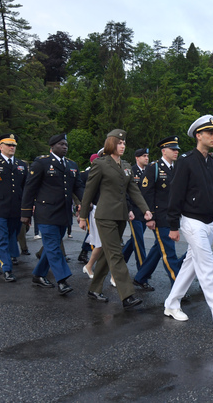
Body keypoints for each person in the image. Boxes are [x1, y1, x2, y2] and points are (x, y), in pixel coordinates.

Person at [164, 115, 213, 332]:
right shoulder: (186, 161)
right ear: (198, 135)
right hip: (192, 222)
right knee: (207, 269)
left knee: (190, 266)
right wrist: (173, 226)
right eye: (210, 133)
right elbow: (175, 195)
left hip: (208, 223)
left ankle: (171, 304)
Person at [79, 129, 154, 310]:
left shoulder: (126, 165)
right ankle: (127, 295)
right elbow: (89, 191)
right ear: (111, 143)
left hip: (120, 216)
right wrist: (82, 216)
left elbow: (133, 190)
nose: (123, 146)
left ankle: (94, 289)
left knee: (107, 252)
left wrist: (145, 210)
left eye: (124, 143)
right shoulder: (101, 164)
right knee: (116, 253)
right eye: (119, 143)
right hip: (105, 215)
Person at [21, 134, 84, 294]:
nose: (65, 147)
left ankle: (38, 274)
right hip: (46, 213)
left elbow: (78, 187)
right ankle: (62, 280)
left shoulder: (72, 165)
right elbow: (30, 188)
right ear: (52, 146)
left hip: (63, 214)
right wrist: (26, 213)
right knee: (54, 246)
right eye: (61, 144)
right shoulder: (41, 163)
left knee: (52, 247)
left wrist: (85, 202)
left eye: (66, 144)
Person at [133, 136, 185, 290]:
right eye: (173, 149)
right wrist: (149, 217)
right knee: (169, 252)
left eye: (177, 149)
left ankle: (140, 277)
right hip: (159, 217)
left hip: (172, 216)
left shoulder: (176, 168)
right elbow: (145, 193)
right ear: (164, 151)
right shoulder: (154, 167)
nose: (176, 152)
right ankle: (178, 286)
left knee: (158, 248)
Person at [0, 134, 27, 281]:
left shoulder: (21, 165)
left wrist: (27, 206)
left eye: (14, 145)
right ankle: (7, 269)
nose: (11, 147)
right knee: (2, 238)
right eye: (8, 145)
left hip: (16, 208)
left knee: (9, 238)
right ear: (0, 147)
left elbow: (25, 188)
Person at [121, 147, 149, 270]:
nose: (147, 158)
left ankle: (119, 263)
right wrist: (129, 209)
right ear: (137, 158)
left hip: (145, 212)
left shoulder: (149, 171)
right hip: (134, 212)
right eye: (144, 156)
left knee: (135, 240)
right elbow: (126, 192)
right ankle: (142, 273)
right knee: (139, 242)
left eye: (147, 156)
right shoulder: (130, 171)